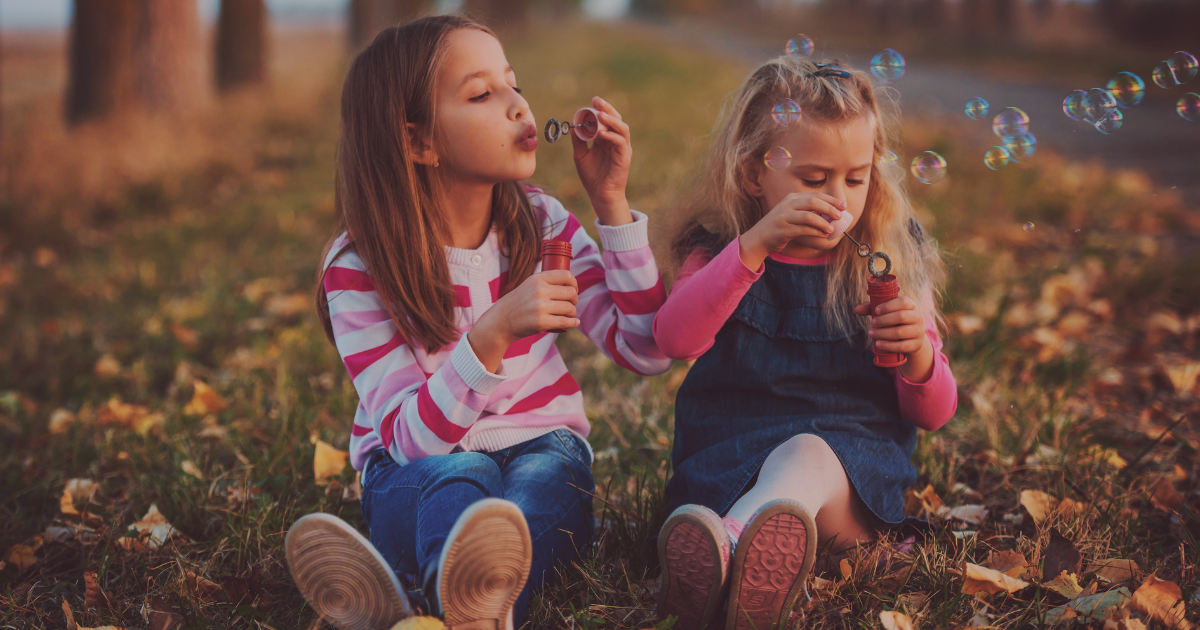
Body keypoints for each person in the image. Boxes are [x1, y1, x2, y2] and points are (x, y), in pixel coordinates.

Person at [284, 15, 671, 630]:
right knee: (461, 477)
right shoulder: (359, 267)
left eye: (513, 85)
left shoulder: (542, 222)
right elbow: (411, 442)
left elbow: (646, 348)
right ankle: (460, 597)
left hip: (540, 447)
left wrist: (611, 204)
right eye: (482, 94)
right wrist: (492, 333)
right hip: (416, 469)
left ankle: (425, 595)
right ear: (418, 142)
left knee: (545, 484)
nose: (519, 106)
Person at [652, 56, 958, 630]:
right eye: (814, 180)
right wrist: (755, 246)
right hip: (729, 463)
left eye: (856, 177)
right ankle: (750, 553)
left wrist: (917, 352)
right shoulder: (720, 249)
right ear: (752, 174)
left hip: (850, 484)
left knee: (808, 452)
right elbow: (675, 339)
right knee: (792, 455)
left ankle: (730, 549)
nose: (838, 199)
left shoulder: (886, 261)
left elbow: (935, 412)